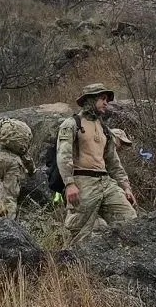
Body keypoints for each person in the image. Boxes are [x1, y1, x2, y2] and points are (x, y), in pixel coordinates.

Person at [56, 83, 137, 246]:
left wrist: (126, 187)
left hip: (106, 182)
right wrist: (70, 184)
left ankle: (121, 257)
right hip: (83, 182)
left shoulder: (105, 129)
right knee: (78, 235)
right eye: (102, 99)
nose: (106, 103)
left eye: (107, 100)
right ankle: (74, 262)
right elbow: (63, 155)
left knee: (130, 220)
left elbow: (114, 162)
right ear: (91, 100)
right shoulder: (72, 124)